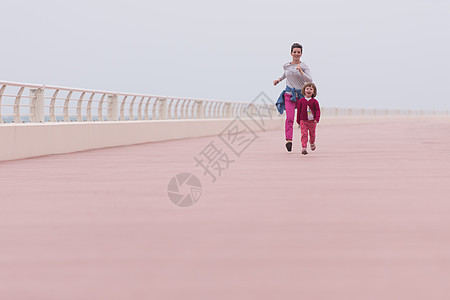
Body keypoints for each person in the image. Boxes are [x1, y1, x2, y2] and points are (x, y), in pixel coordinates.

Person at [274, 43, 312, 152]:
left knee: (302, 120)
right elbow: (285, 74)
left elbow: (309, 80)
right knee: (289, 118)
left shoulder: (304, 66)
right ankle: (289, 140)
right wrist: (278, 80)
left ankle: (304, 142)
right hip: (289, 94)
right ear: (291, 53)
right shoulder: (286, 65)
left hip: (300, 95)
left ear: (301, 54)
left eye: (298, 52)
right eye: (294, 52)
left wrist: (301, 72)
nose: (296, 54)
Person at [296, 82, 320, 155]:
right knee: (304, 134)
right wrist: (298, 120)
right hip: (303, 121)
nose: (309, 90)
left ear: (313, 92)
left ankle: (312, 142)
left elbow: (318, 110)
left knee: (312, 134)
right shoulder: (301, 101)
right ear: (304, 90)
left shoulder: (314, 101)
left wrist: (317, 119)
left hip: (312, 121)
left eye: (311, 89)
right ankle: (304, 148)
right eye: (307, 89)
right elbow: (298, 111)